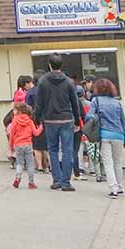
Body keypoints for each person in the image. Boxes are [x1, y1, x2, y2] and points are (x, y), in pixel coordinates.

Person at [31, 55, 82, 191]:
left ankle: (56, 180)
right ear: (61, 65)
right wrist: (77, 120)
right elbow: (75, 103)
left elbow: (39, 103)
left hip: (50, 119)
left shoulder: (43, 81)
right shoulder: (69, 82)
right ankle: (66, 182)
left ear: (49, 65)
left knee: (53, 149)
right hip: (66, 119)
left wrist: (36, 118)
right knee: (67, 150)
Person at [90, 77, 125, 198]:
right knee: (118, 162)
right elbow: (123, 122)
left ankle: (113, 188)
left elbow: (89, 116)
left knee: (108, 162)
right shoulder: (117, 102)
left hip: (104, 134)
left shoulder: (96, 101)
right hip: (119, 134)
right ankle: (120, 186)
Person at [6, 89, 41, 189]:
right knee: (30, 164)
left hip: (17, 144)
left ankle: (17, 178)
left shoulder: (15, 121)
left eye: (14, 110)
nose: (13, 111)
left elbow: (12, 134)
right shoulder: (29, 120)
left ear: (19, 111)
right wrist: (42, 126)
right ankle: (31, 182)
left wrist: (11, 146)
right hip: (28, 144)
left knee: (20, 163)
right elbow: (36, 133)